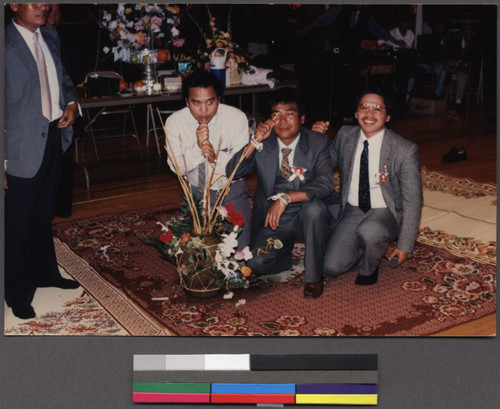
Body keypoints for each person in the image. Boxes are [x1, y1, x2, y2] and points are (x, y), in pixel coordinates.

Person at [5, 3, 80, 319]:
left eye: (45, 0)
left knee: (44, 213)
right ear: (12, 4)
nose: (43, 6)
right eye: (33, 0)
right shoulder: (5, 45)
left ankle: (46, 273)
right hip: (19, 147)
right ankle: (16, 293)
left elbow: (62, 79)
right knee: (16, 224)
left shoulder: (50, 36)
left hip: (52, 138)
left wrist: (72, 103)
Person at [226, 88, 334, 299]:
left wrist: (286, 198)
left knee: (314, 209)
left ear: (302, 118)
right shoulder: (263, 143)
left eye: (290, 113)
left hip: (307, 214)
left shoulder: (317, 142)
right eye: (277, 114)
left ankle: (313, 276)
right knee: (256, 264)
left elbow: (325, 184)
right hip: (275, 219)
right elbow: (233, 173)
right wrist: (254, 141)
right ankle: (283, 251)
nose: (283, 121)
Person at [324, 88, 422, 285]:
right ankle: (368, 249)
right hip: (352, 209)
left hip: (386, 211)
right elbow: (323, 161)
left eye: (377, 109)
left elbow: (413, 200)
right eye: (364, 107)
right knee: (331, 267)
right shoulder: (345, 135)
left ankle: (370, 268)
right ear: (355, 113)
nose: (369, 114)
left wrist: (405, 245)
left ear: (387, 116)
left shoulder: (404, 149)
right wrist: (316, 138)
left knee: (370, 230)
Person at [164, 70, 251, 250]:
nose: (203, 110)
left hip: (231, 189)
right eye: (196, 103)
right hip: (195, 191)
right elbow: (176, 167)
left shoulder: (236, 118)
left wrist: (214, 157)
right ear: (187, 102)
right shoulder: (175, 122)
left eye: (210, 102)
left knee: (238, 255)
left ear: (219, 99)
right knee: (195, 256)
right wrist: (199, 148)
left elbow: (240, 164)